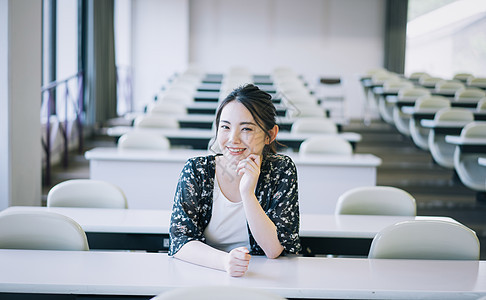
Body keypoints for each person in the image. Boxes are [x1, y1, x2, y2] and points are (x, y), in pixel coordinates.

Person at [168, 83, 301, 277]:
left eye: (246, 129)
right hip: (204, 273)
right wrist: (225, 262)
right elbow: (180, 241)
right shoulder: (197, 171)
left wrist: (247, 193)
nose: (233, 139)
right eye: (225, 127)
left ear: (270, 135)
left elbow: (273, 250)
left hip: (266, 278)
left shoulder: (281, 170)